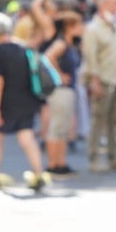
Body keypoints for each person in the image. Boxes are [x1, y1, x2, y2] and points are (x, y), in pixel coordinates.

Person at [0, 13, 48, 191]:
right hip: (27, 100)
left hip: (6, 102)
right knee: (26, 136)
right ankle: (38, 173)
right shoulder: (23, 48)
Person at [82, 0, 116, 172]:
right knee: (98, 120)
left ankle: (113, 157)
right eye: (112, 3)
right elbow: (90, 57)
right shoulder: (93, 28)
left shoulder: (115, 26)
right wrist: (93, 80)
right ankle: (93, 157)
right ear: (103, 4)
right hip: (103, 79)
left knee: (114, 120)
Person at [41, 11, 84, 176]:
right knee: (57, 126)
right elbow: (47, 57)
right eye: (78, 25)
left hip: (68, 89)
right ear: (69, 27)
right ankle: (53, 163)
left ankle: (60, 161)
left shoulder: (70, 44)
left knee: (63, 127)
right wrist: (58, 74)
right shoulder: (61, 44)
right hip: (60, 90)